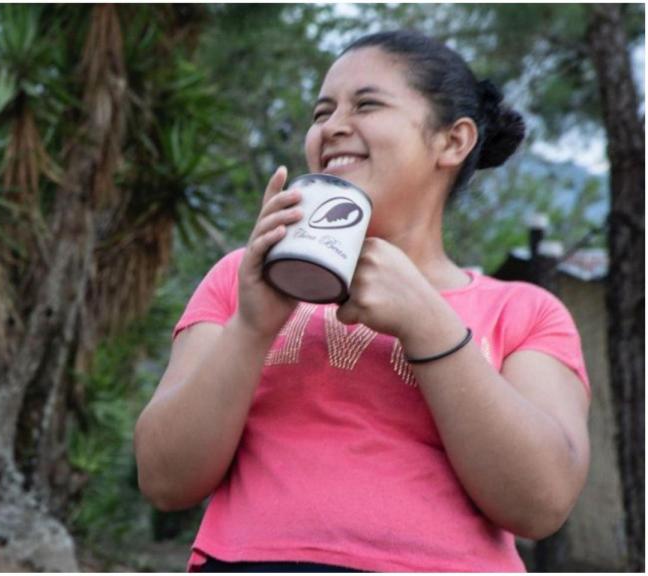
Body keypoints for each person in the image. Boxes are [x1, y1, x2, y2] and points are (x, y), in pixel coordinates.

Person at [133, 30, 591, 573]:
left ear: (453, 141)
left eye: (366, 104)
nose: (332, 127)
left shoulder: (526, 312)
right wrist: (253, 326)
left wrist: (429, 326)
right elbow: (164, 479)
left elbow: (540, 504)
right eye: (321, 112)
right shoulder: (241, 278)